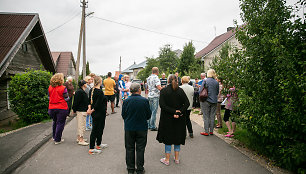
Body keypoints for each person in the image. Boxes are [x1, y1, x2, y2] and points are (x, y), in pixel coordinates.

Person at [157, 74, 189, 166]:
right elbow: (187, 103)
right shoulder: (180, 90)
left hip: (167, 118)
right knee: (177, 137)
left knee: (168, 138)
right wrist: (179, 112)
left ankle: (167, 159)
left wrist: (173, 111)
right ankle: (177, 158)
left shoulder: (164, 91)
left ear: (168, 81)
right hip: (179, 119)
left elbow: (162, 106)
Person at [122, 83, 151, 174]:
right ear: (139, 90)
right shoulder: (144, 101)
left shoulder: (126, 101)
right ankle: (139, 168)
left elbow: (124, 115)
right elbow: (148, 115)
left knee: (129, 148)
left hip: (129, 127)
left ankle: (130, 169)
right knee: (140, 149)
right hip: (141, 127)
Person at [87, 76, 108, 155]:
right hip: (99, 113)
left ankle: (98, 144)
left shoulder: (92, 90)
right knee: (96, 130)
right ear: (99, 81)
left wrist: (90, 109)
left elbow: (89, 101)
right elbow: (97, 104)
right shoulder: (99, 91)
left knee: (99, 129)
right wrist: (91, 110)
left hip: (96, 113)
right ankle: (92, 148)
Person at [48, 73, 69, 145]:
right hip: (61, 107)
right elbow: (66, 98)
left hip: (52, 108)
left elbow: (49, 97)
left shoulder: (50, 87)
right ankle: (57, 139)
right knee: (60, 123)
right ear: (61, 79)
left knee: (55, 122)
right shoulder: (63, 88)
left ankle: (54, 137)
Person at [199, 69, 219, 136]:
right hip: (214, 101)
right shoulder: (216, 82)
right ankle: (211, 131)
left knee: (206, 116)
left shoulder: (205, 81)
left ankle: (206, 131)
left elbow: (200, 90)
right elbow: (217, 92)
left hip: (206, 100)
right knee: (212, 116)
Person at [72, 80, 89, 146]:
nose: (86, 84)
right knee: (81, 125)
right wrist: (74, 109)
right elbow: (76, 102)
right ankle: (81, 140)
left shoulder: (81, 91)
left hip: (82, 110)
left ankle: (79, 138)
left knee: (82, 124)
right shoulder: (80, 92)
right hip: (80, 110)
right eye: (85, 83)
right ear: (83, 84)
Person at [147, 67, 162, 131]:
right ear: (157, 71)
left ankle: (149, 125)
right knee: (154, 111)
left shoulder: (149, 77)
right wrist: (163, 89)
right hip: (155, 96)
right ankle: (152, 126)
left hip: (149, 95)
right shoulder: (156, 78)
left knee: (150, 111)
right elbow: (158, 87)